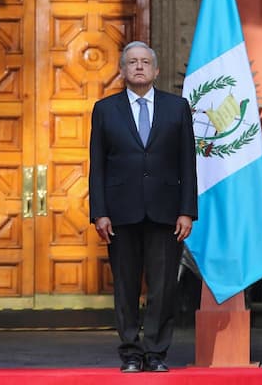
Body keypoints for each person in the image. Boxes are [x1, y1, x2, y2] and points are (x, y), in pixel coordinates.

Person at [88, 41, 197, 373]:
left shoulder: (177, 108)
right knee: (126, 285)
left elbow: (187, 163)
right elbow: (98, 165)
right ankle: (131, 353)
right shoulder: (105, 109)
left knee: (164, 287)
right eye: (132, 62)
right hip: (121, 213)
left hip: (166, 212)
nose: (139, 67)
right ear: (122, 71)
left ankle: (156, 352)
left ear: (156, 70)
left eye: (145, 62)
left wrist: (187, 211)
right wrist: (99, 212)